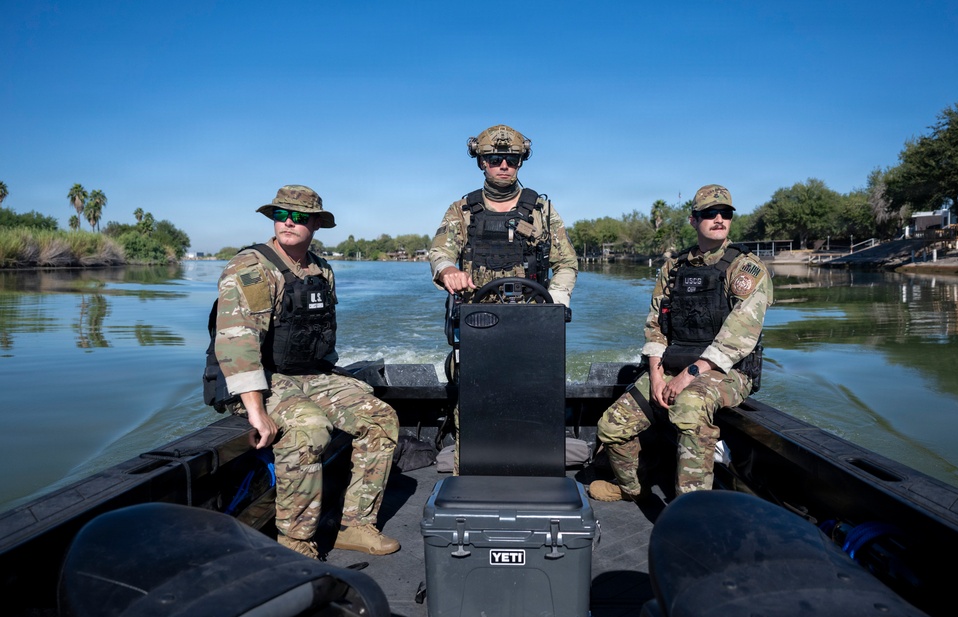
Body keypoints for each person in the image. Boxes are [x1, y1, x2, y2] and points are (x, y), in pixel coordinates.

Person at [214, 185, 400, 558]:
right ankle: (296, 543)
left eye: (299, 216)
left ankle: (355, 524)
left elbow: (318, 336)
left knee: (380, 417)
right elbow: (237, 344)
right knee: (309, 429)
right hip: (259, 380)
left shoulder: (321, 269)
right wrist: (256, 411)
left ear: (315, 223)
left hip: (310, 374)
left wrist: (337, 383)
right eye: (281, 214)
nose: (289, 222)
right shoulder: (251, 268)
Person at [588, 184, 773, 500]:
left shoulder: (746, 268)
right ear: (693, 219)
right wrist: (657, 376)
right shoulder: (673, 268)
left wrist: (690, 374)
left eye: (725, 213)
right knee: (611, 426)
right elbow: (656, 326)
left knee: (688, 407)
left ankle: (692, 510)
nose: (718, 219)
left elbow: (739, 337)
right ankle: (631, 488)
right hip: (672, 367)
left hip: (728, 373)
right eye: (709, 213)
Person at [428, 124, 578, 305]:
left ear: (520, 163)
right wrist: (448, 270)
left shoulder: (541, 210)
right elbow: (440, 252)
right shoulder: (461, 210)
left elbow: (566, 263)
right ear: (482, 162)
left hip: (531, 315)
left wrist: (557, 300)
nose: (504, 166)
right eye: (495, 159)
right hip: (476, 314)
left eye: (512, 160)